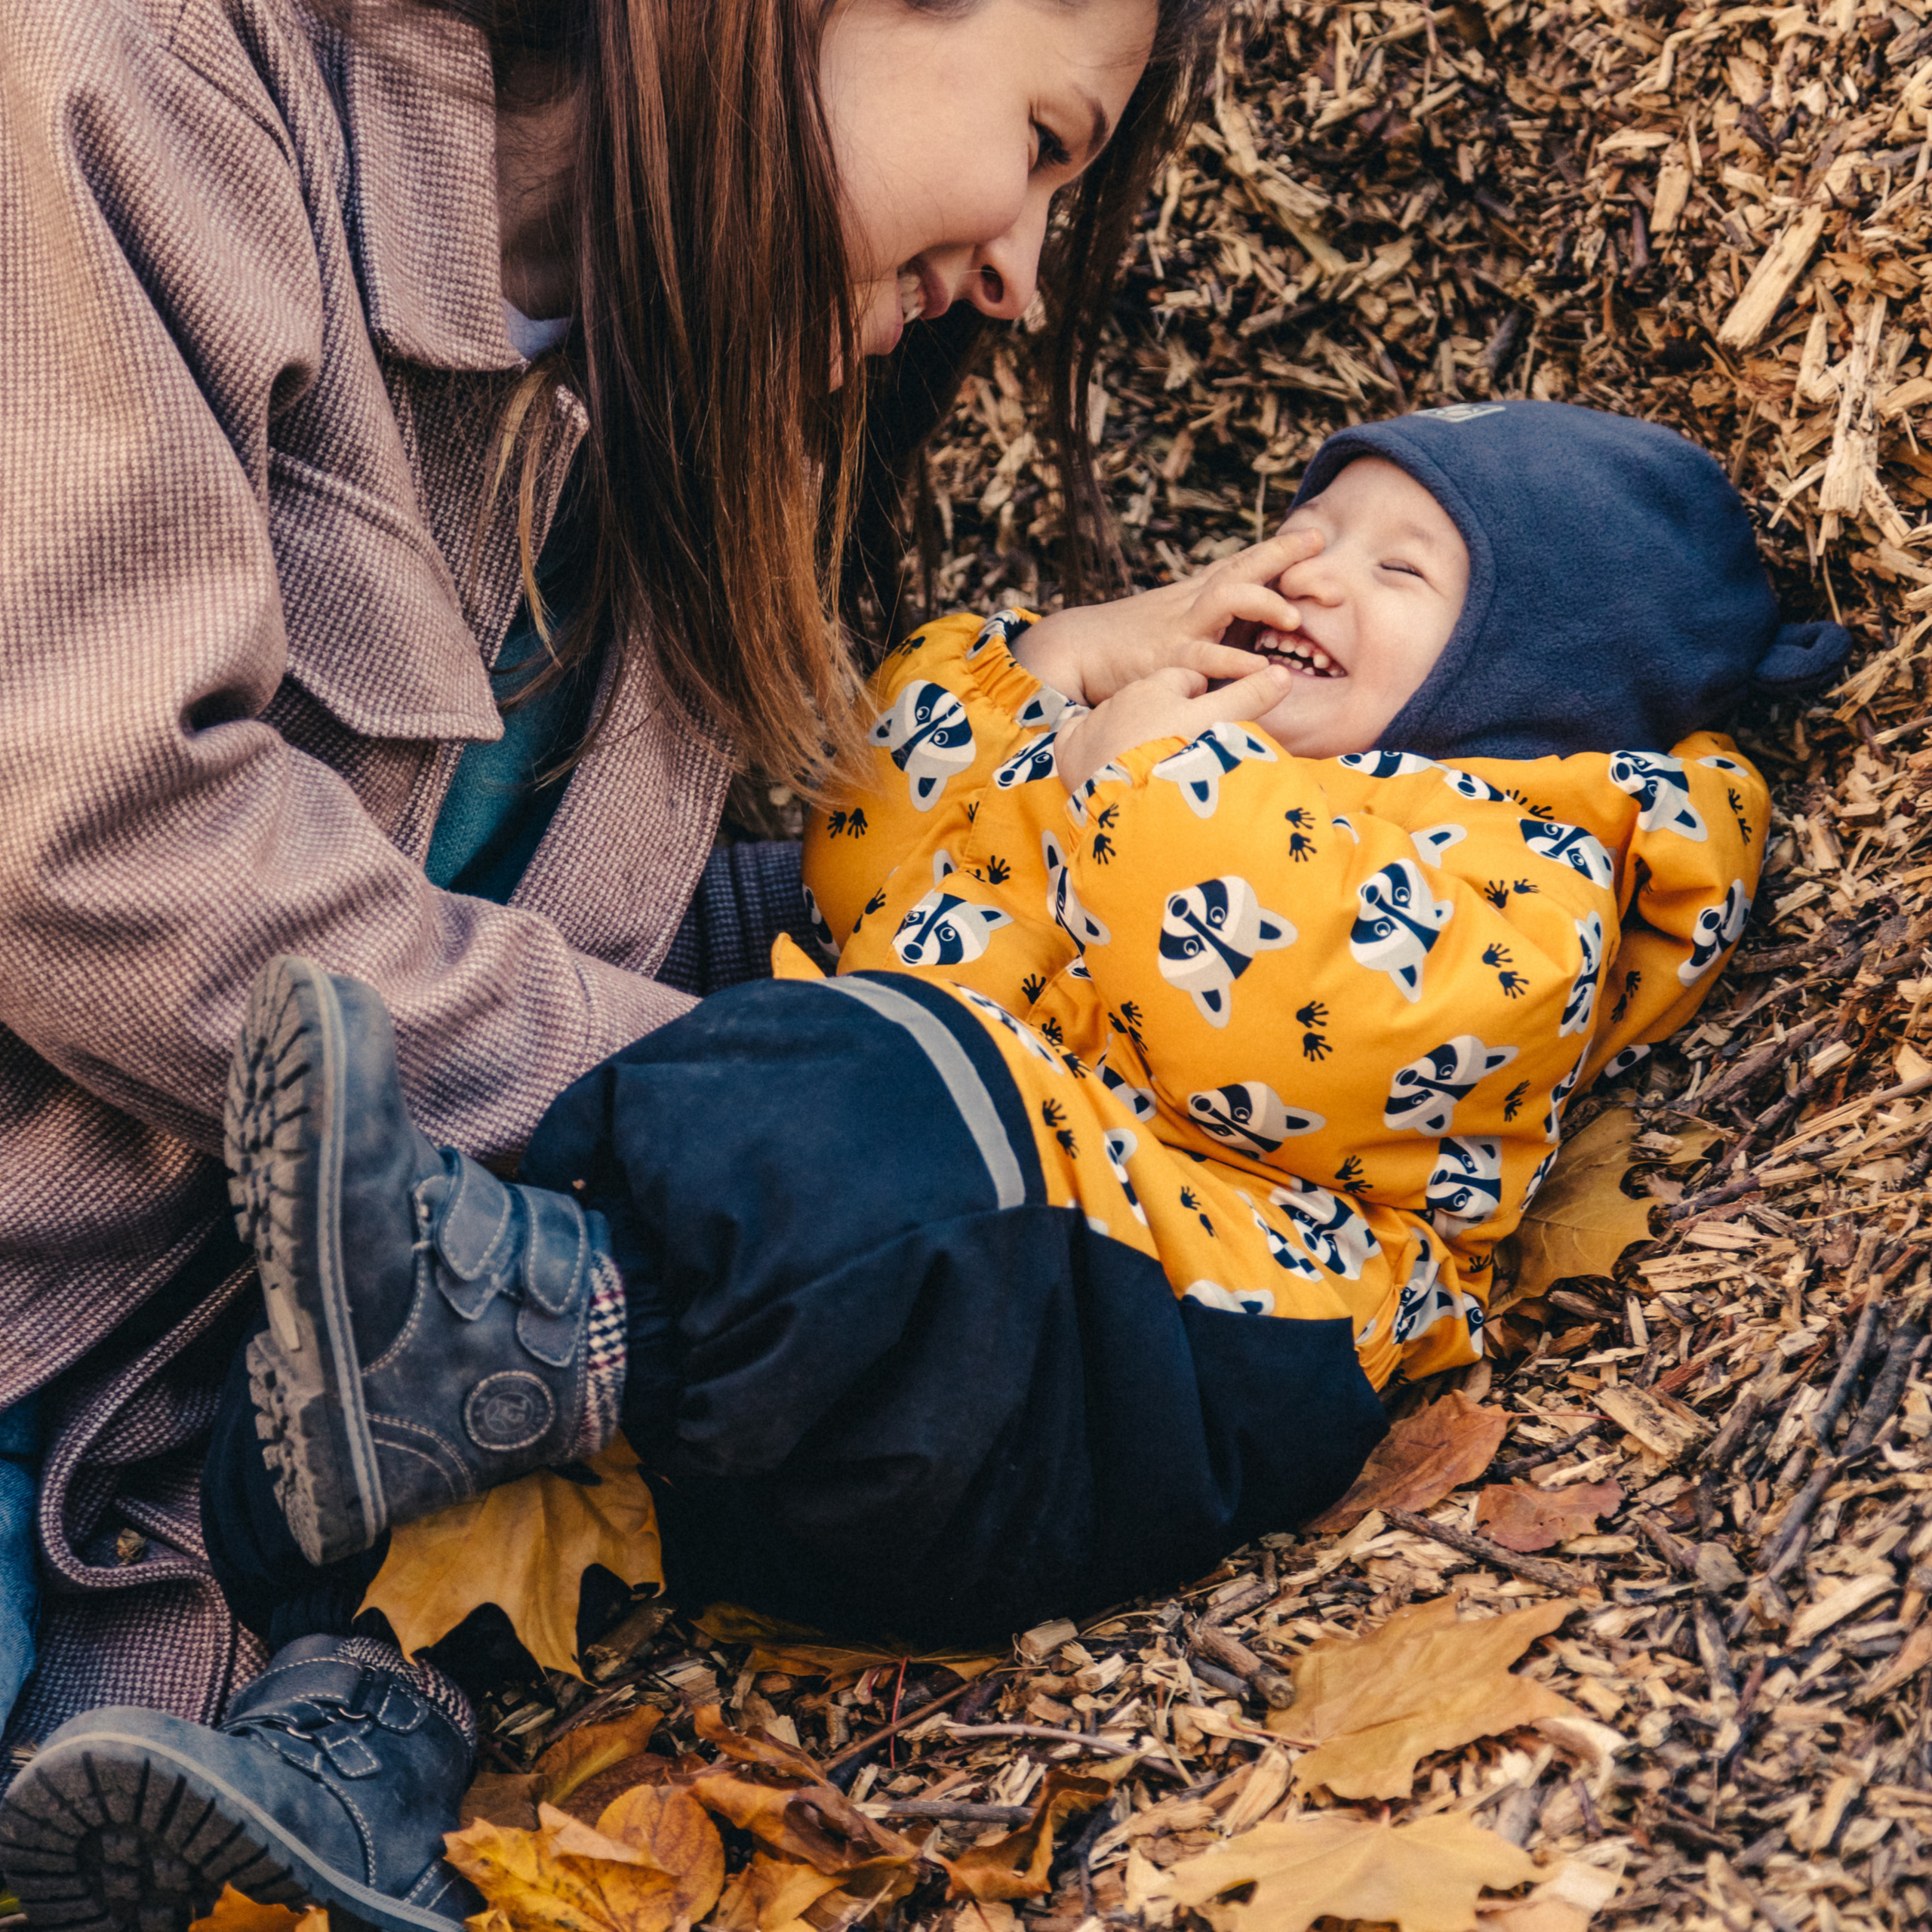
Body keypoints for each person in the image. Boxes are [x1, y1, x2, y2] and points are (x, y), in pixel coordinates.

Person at [0, 402, 1847, 1923]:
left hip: (1142, 1357)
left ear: (1535, 676)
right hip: (876, 1328)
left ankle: (534, 1322)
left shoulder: (1531, 861)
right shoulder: (1161, 748)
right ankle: (350, 1748)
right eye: (1309, 524)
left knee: (852, 1087)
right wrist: (1045, 679)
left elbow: (1295, 1027)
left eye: (1400, 565)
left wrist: (1128, 782)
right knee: (491, 1445)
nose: (1309, 570)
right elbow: (870, 874)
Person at [0, 0, 1211, 1920]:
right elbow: (82, 839)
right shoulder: (129, 73)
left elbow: (597, 923)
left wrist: (1052, 776)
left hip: (169, 1526)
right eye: (1048, 144)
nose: (1023, 277)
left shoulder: (705, 387)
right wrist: (713, 1137)